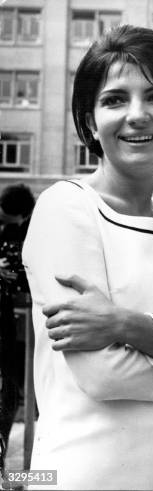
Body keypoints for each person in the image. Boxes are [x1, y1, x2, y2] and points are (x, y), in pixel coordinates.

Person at [22, 25, 153, 490]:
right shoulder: (65, 208)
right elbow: (102, 375)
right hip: (81, 474)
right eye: (115, 99)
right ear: (88, 121)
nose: (138, 115)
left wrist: (127, 326)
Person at [0, 184, 35, 472]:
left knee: (22, 387)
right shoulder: (5, 230)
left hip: (28, 321)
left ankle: (31, 468)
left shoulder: (35, 232)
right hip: (9, 319)